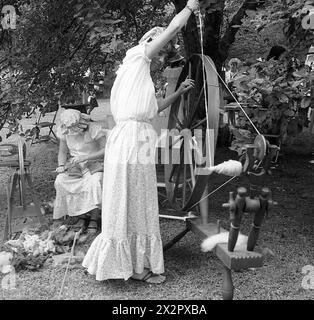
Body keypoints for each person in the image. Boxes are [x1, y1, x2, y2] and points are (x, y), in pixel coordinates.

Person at [82, 0, 199, 284]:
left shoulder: (135, 74)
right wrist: (190, 9)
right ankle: (132, 267)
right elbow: (172, 30)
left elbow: (152, 109)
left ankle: (134, 263)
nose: (160, 60)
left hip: (134, 138)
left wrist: (180, 92)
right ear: (149, 41)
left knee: (136, 200)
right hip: (131, 140)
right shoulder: (137, 56)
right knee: (129, 199)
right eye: (159, 52)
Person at [53, 109, 107, 233]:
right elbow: (62, 152)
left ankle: (94, 218)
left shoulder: (94, 129)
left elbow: (106, 149)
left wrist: (86, 157)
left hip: (95, 163)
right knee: (61, 180)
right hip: (75, 165)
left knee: (95, 181)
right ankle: (80, 215)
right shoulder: (65, 131)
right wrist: (61, 165)